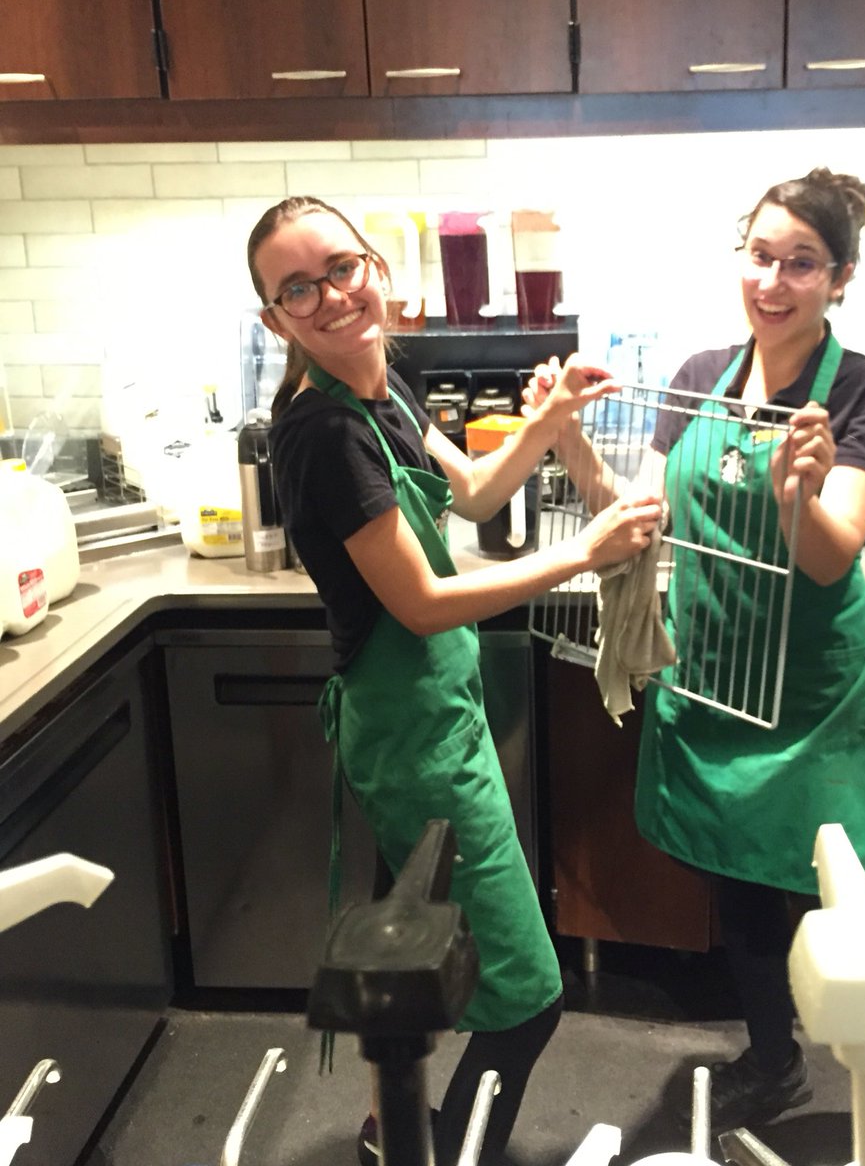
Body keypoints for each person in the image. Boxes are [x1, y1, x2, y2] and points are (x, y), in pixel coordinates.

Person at [245, 196, 663, 1166]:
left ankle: (392, 1128)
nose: (331, 295)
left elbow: (473, 492)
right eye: (296, 289)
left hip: (437, 718)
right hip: (415, 734)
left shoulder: (384, 386)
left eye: (342, 267)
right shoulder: (322, 434)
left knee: (422, 962)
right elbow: (426, 601)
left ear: (378, 270)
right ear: (276, 321)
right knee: (526, 1000)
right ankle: (435, 1147)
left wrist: (550, 420)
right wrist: (589, 550)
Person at [525, 167, 865, 1129]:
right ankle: (774, 1056)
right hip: (714, 675)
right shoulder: (701, 376)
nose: (773, 283)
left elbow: (829, 563)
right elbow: (642, 521)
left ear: (841, 277)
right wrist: (565, 440)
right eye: (760, 257)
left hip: (815, 692)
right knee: (740, 888)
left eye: (802, 264)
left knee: (843, 892)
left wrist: (797, 489)